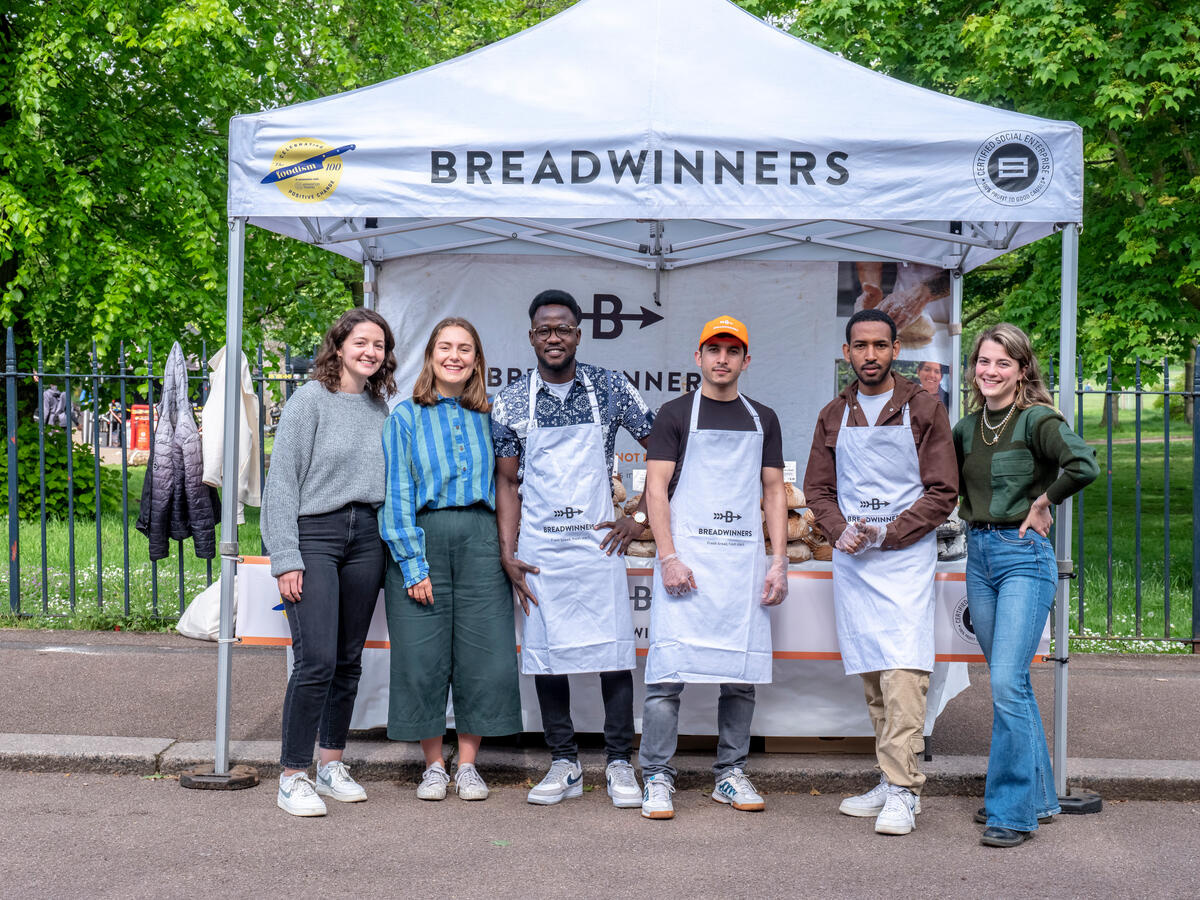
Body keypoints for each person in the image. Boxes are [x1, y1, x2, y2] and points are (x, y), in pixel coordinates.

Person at [490, 289, 656, 809]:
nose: (554, 337)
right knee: (548, 657)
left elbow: (667, 449)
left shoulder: (609, 387)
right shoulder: (512, 400)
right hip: (541, 548)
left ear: (579, 334)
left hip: (598, 547)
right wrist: (508, 551)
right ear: (532, 336)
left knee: (613, 655)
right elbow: (507, 483)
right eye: (544, 329)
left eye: (563, 328)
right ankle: (564, 763)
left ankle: (618, 763)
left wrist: (639, 517)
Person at [804, 309, 957, 836]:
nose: (870, 355)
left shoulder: (922, 408)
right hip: (854, 562)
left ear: (896, 350)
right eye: (860, 346)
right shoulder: (832, 414)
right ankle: (891, 777)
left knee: (902, 671)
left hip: (905, 558)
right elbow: (818, 490)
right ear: (847, 353)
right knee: (873, 671)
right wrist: (839, 528)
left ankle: (904, 789)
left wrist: (890, 533)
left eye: (880, 345)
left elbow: (942, 491)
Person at [638, 315, 788, 821]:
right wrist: (669, 557)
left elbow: (773, 492)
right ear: (697, 358)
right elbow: (656, 489)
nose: (722, 359)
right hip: (687, 561)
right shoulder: (675, 413)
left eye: (732, 351)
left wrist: (779, 562)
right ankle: (656, 775)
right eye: (713, 350)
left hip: (741, 563)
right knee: (665, 678)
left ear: (746, 360)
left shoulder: (763, 417)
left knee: (740, 677)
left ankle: (729, 773)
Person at [954, 323, 1097, 848]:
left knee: (1007, 682)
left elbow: (1083, 464)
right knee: (1009, 680)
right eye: (983, 362)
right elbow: (943, 483)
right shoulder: (967, 428)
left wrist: (1045, 500)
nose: (989, 371)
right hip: (979, 556)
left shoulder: (1037, 419)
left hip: (1022, 559)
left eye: (1002, 364)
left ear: (1022, 370)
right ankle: (1036, 796)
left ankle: (1011, 812)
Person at [261, 308, 396, 817]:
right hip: (314, 535)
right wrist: (286, 556)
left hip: (367, 537)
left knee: (347, 660)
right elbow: (282, 485)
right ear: (338, 345)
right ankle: (293, 774)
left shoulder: (381, 408)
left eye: (378, 345)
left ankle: (330, 763)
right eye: (361, 341)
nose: (370, 352)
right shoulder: (308, 402)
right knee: (315, 660)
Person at [380, 317, 522, 802]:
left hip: (481, 538)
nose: (455, 356)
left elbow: (511, 485)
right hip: (424, 537)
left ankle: (467, 766)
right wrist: (412, 563)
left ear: (477, 360)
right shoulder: (404, 416)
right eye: (446, 347)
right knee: (421, 654)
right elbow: (397, 491)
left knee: (486, 654)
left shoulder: (493, 416)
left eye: (465, 349)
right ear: (432, 356)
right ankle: (433, 766)